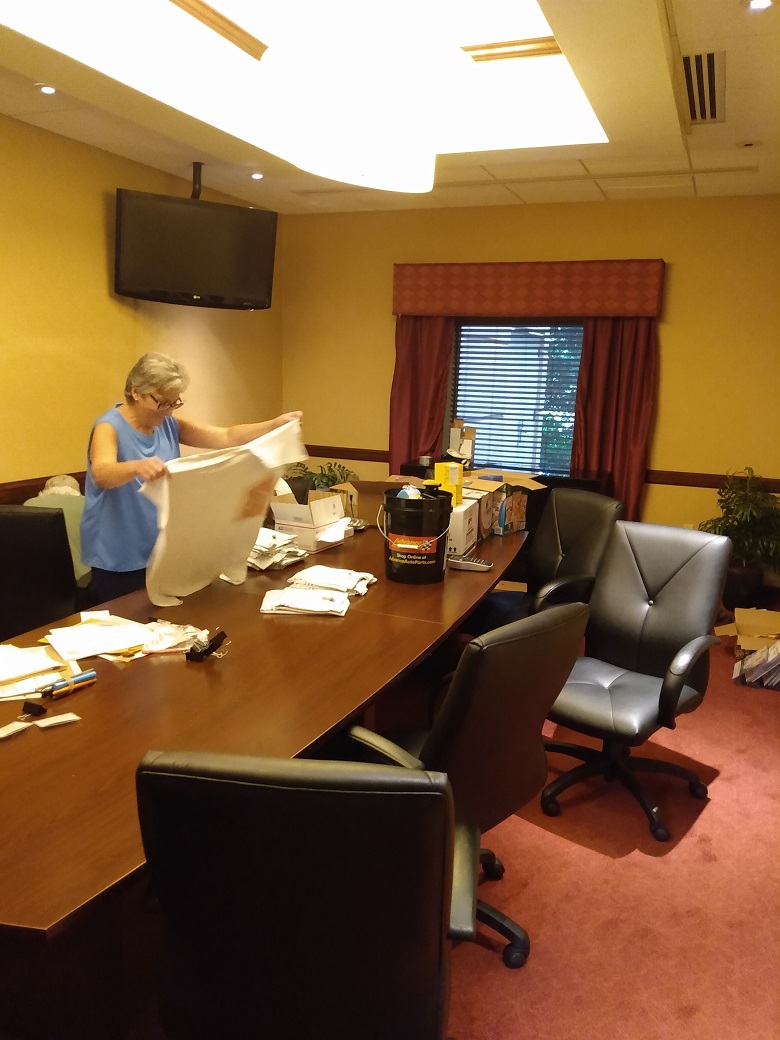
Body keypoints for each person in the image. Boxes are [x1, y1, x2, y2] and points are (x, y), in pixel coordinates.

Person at [80, 352, 302, 603]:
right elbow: (102, 473)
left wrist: (274, 424)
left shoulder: (168, 423)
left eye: (174, 403)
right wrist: (136, 467)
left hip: (161, 550)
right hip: (119, 554)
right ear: (136, 392)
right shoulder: (108, 427)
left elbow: (226, 436)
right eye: (162, 402)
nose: (168, 411)